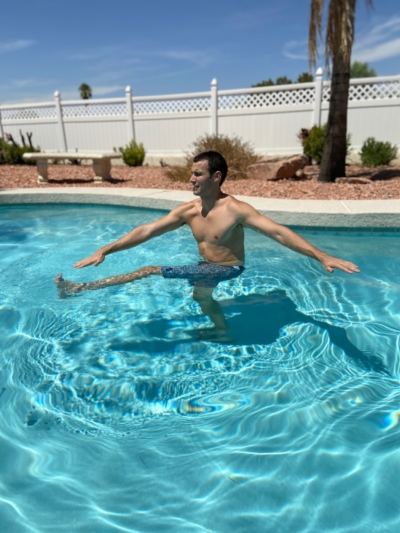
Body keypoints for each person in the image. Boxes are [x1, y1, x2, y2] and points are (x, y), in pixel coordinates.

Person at [55, 151, 359, 334]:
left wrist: (320, 255)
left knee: (148, 269)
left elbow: (277, 232)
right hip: (206, 266)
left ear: (216, 177)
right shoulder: (188, 210)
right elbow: (147, 230)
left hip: (228, 268)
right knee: (200, 299)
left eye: (197, 173)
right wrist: (105, 249)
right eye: (190, 173)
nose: (190, 179)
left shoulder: (236, 210)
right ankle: (222, 331)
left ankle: (80, 290)